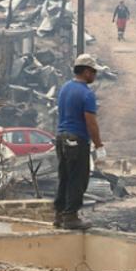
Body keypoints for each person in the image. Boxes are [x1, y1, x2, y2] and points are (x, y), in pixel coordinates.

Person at [54, 54, 104, 230]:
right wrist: (99, 146)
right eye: (93, 72)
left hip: (61, 138)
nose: (95, 75)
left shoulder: (65, 88)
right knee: (78, 178)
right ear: (86, 71)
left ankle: (59, 214)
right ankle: (71, 216)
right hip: (77, 139)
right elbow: (91, 122)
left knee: (65, 177)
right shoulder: (86, 94)